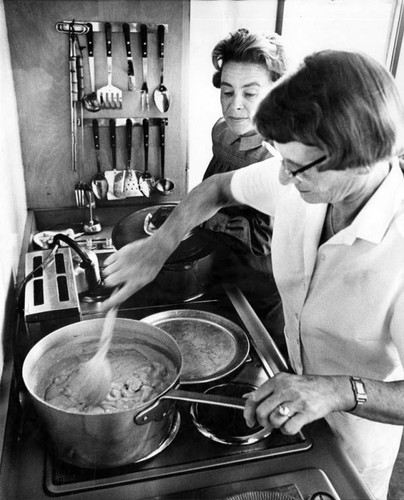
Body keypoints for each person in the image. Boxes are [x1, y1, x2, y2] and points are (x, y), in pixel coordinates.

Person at [103, 50, 404, 500]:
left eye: (297, 167)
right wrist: (158, 245)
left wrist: (340, 391)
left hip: (357, 434)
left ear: (359, 162)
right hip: (288, 386)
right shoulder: (307, 176)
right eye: (278, 157)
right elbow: (219, 188)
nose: (282, 179)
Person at [201, 28, 287, 353]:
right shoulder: (221, 132)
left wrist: (210, 220)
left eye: (250, 94)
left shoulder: (278, 157)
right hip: (221, 266)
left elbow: (264, 241)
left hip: (263, 287)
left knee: (265, 356)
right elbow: (213, 180)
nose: (234, 106)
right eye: (226, 91)